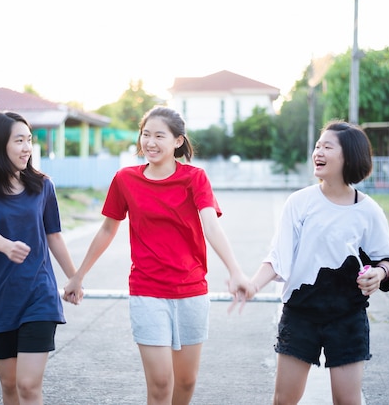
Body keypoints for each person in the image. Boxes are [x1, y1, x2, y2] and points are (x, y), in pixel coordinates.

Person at [63, 105, 253, 405]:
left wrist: (235, 271)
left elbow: (211, 227)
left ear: (178, 141)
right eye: (145, 134)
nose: (149, 142)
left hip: (191, 290)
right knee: (162, 382)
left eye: (159, 136)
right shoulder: (126, 179)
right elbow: (107, 230)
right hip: (147, 291)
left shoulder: (195, 178)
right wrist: (78, 275)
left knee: (187, 381)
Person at [244, 121, 389, 405]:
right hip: (300, 313)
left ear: (349, 156)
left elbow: (386, 259)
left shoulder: (368, 211)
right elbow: (278, 257)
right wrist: (252, 285)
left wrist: (379, 272)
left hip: (348, 316)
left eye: (328, 146)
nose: (319, 152)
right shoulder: (299, 203)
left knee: (347, 401)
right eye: (318, 146)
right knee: (283, 400)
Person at [0, 111, 81, 405]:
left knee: (27, 386)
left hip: (38, 295)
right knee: (10, 387)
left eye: (29, 140)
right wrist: (5, 246)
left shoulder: (42, 186)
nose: (27, 147)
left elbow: (54, 235)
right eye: (19, 141)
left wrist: (74, 277)